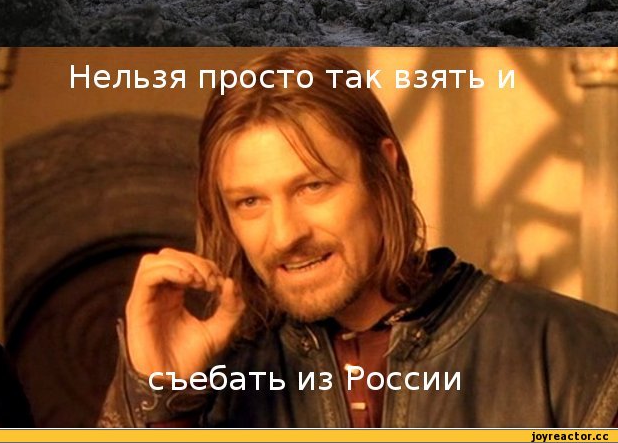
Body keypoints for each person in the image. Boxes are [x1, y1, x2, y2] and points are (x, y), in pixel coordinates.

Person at [100, 50, 618, 428]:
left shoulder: (582, 356)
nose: (285, 236)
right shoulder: (213, 385)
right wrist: (159, 397)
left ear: (385, 170)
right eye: (250, 202)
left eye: (313, 186)